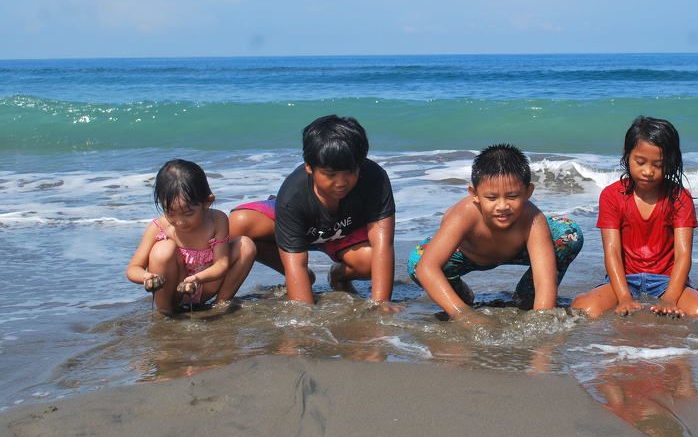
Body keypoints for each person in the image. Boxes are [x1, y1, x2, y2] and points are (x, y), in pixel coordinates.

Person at [229, 115, 396, 307]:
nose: (341, 183)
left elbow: (383, 245)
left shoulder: (375, 178)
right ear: (309, 166)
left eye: (350, 171)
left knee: (369, 261)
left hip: (344, 232)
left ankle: (338, 276)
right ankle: (303, 278)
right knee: (237, 224)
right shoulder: (293, 196)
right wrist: (304, 322)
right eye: (330, 174)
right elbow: (297, 265)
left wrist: (381, 304)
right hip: (301, 227)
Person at [408, 144, 583, 320]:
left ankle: (526, 297)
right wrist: (463, 314)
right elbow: (427, 268)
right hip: (466, 255)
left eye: (512, 196)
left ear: (528, 192)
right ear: (474, 194)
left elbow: (544, 279)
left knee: (570, 234)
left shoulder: (533, 219)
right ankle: (461, 297)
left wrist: (543, 319)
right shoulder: (464, 214)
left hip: (518, 251)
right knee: (417, 262)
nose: (502, 206)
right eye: (491, 198)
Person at [572, 116, 698, 318]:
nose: (648, 171)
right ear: (627, 155)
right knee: (585, 309)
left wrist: (670, 298)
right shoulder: (611, 195)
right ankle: (592, 292)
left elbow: (683, 255)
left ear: (669, 163)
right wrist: (624, 297)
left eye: (658, 164)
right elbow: (612, 251)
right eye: (640, 162)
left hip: (667, 278)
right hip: (626, 278)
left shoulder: (679, 197)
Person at [126, 159, 256, 314]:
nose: (180, 222)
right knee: (163, 249)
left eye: (188, 213)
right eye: (170, 213)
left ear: (208, 201)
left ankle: (220, 304)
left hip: (205, 285)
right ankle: (165, 312)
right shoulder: (158, 228)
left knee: (246, 245)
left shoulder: (217, 220)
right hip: (172, 291)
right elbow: (133, 269)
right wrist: (147, 277)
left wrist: (196, 279)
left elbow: (222, 264)